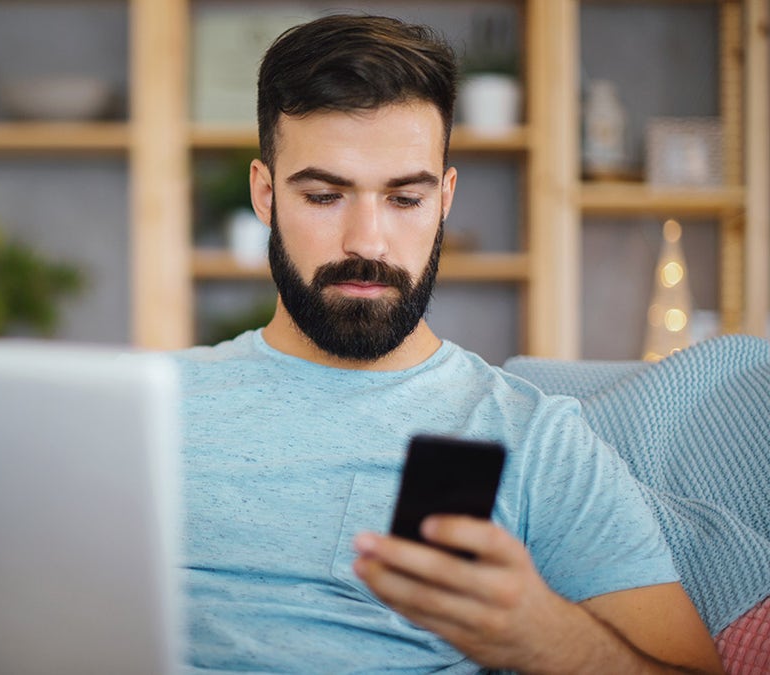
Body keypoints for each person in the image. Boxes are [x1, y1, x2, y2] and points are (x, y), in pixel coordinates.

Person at [170, 13, 723, 674]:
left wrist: (545, 635)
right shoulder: (153, 402)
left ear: (445, 199)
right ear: (265, 194)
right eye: (323, 195)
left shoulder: (531, 437)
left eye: (405, 199)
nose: (366, 241)